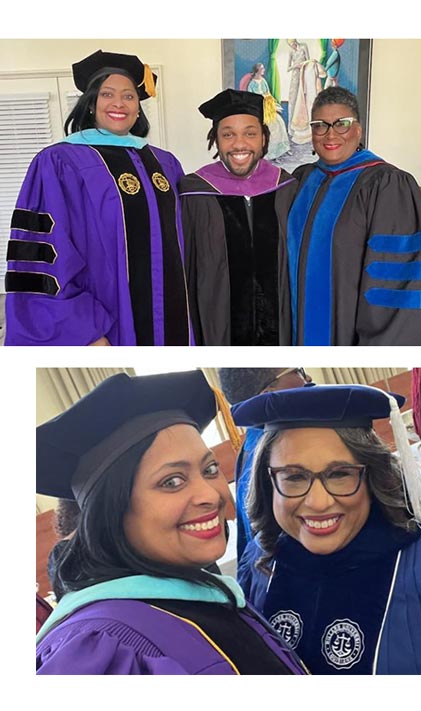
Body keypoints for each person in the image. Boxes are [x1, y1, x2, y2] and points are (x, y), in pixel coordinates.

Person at [36, 371, 305, 674]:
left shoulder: (200, 591)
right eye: (172, 481)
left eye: (210, 469)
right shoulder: (97, 648)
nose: (210, 495)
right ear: (110, 511)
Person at [233, 385, 421, 673]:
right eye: (294, 477)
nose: (318, 502)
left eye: (339, 474)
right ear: (268, 483)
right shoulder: (261, 561)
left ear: (373, 474)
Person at [6, 50, 190, 346]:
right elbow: (42, 258)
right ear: (91, 103)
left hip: (174, 318)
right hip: (106, 323)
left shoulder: (165, 163)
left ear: (139, 107)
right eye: (107, 94)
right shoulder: (59, 162)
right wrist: (83, 331)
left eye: (129, 96)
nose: (119, 103)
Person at [283, 87, 421, 345]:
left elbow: (396, 283)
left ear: (358, 130)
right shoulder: (303, 179)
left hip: (350, 335)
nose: (330, 134)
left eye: (342, 124)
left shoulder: (387, 184)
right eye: (320, 125)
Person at [179, 89, 296, 346]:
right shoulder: (194, 192)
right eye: (228, 134)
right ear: (216, 140)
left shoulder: (287, 188)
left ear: (264, 139)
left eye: (250, 133)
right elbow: (186, 268)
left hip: (282, 328)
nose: (239, 144)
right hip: (217, 326)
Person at [217, 367, 315, 563]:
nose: (309, 378)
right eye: (298, 371)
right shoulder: (282, 453)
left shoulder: (253, 443)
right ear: (268, 394)